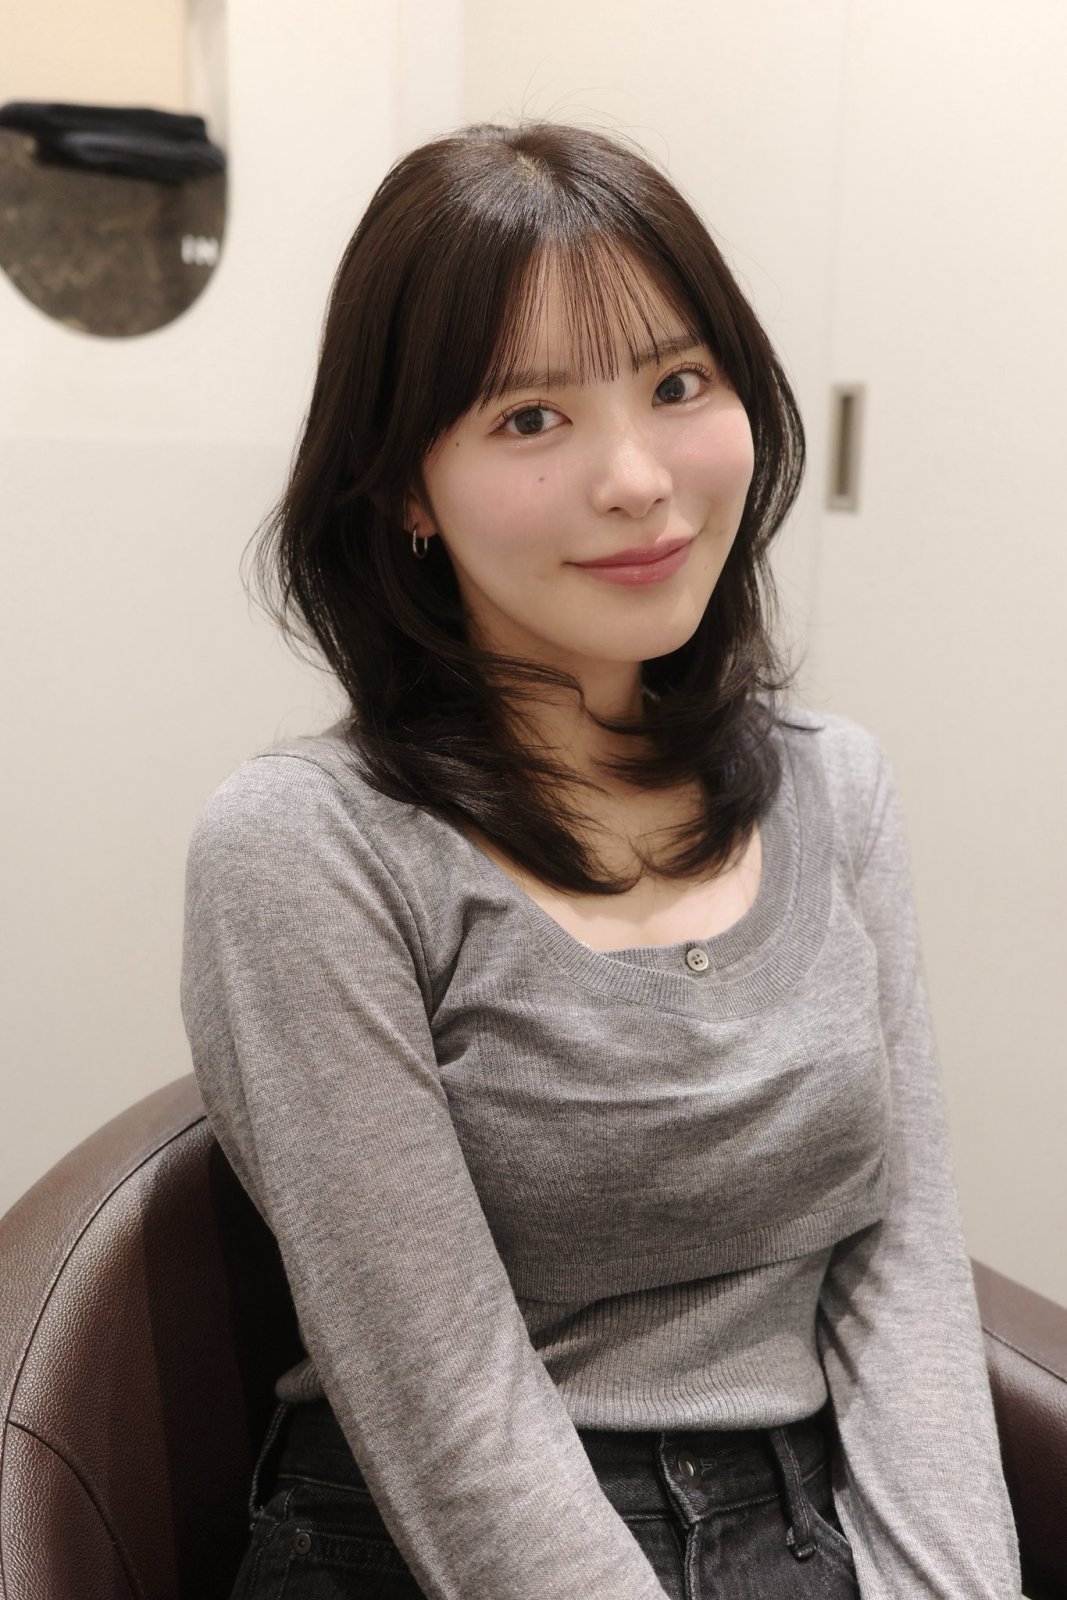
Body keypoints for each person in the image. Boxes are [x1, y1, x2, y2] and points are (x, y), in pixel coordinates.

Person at [180, 120, 1021, 1600]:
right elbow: (441, 1400)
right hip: (433, 1548)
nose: (637, 478)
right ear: (403, 488)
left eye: (677, 385)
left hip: (804, 1530)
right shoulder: (309, 846)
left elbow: (901, 1269)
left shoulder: (836, 788)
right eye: (529, 417)